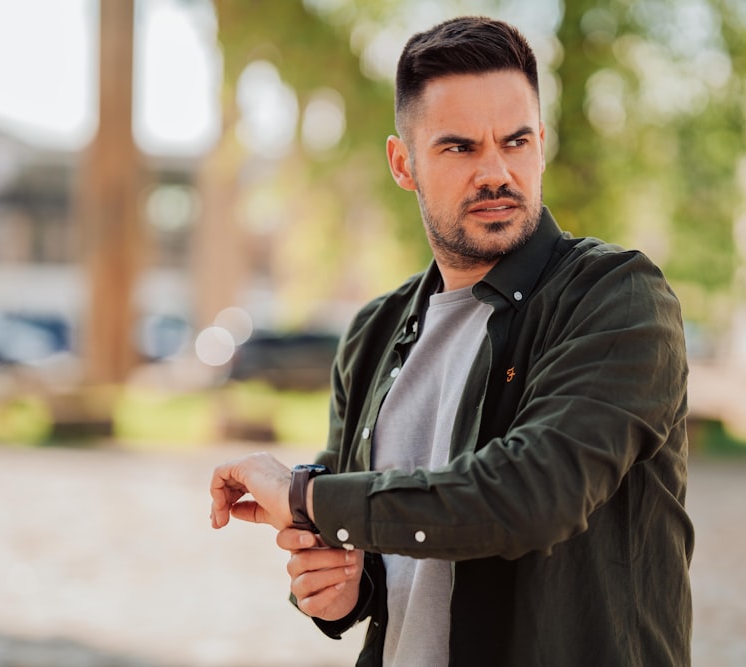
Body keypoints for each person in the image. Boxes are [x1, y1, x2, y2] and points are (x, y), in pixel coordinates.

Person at [210, 15, 693, 667]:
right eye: (460, 147)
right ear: (403, 162)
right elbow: (374, 543)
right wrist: (340, 587)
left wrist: (305, 497)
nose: (496, 171)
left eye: (516, 141)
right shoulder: (373, 333)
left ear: (541, 143)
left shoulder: (617, 298)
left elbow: (531, 494)